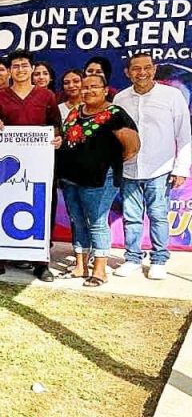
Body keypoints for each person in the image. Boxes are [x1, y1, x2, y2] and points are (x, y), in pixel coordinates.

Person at [0, 50, 62, 281]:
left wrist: (57, 139)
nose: (20, 70)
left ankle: (41, 262)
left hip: (39, 166)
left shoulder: (46, 96)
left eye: (24, 65)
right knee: (1, 207)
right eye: (15, 66)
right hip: (6, 169)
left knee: (42, 208)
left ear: (32, 68)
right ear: (9, 71)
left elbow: (56, 127)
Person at [56, 72, 140, 287]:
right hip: (70, 178)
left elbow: (132, 146)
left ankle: (100, 271)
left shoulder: (115, 114)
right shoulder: (75, 112)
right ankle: (80, 266)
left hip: (99, 179)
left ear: (105, 90)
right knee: (77, 220)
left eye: (94, 87)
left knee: (96, 222)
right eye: (85, 87)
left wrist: (105, 162)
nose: (89, 91)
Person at [113, 53, 191, 279]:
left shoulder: (172, 96)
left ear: (154, 70)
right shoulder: (120, 98)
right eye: (136, 69)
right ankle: (132, 259)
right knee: (131, 217)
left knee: (158, 216)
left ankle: (159, 260)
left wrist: (180, 168)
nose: (142, 73)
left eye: (147, 67)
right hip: (129, 168)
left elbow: (184, 134)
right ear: (128, 73)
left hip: (160, 168)